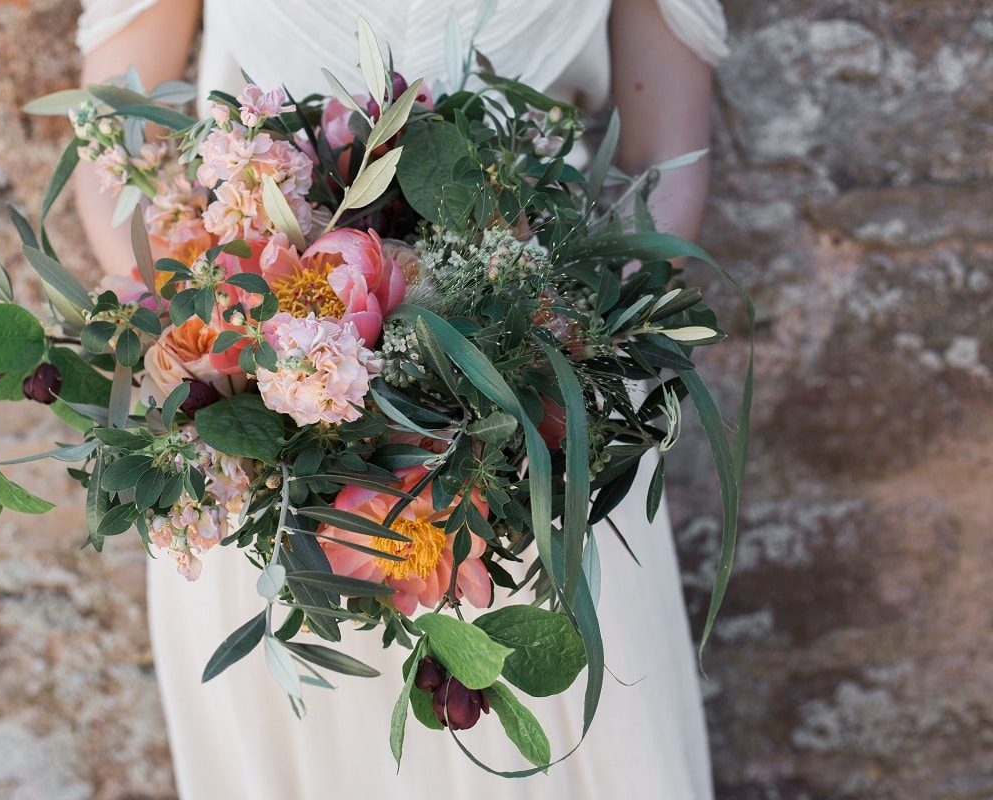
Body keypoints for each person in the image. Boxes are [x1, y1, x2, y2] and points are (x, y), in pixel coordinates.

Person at [73, 2, 728, 797]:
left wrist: (539, 353)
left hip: (539, 446)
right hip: (263, 461)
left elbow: (667, 158)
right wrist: (235, 350)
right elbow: (112, 145)